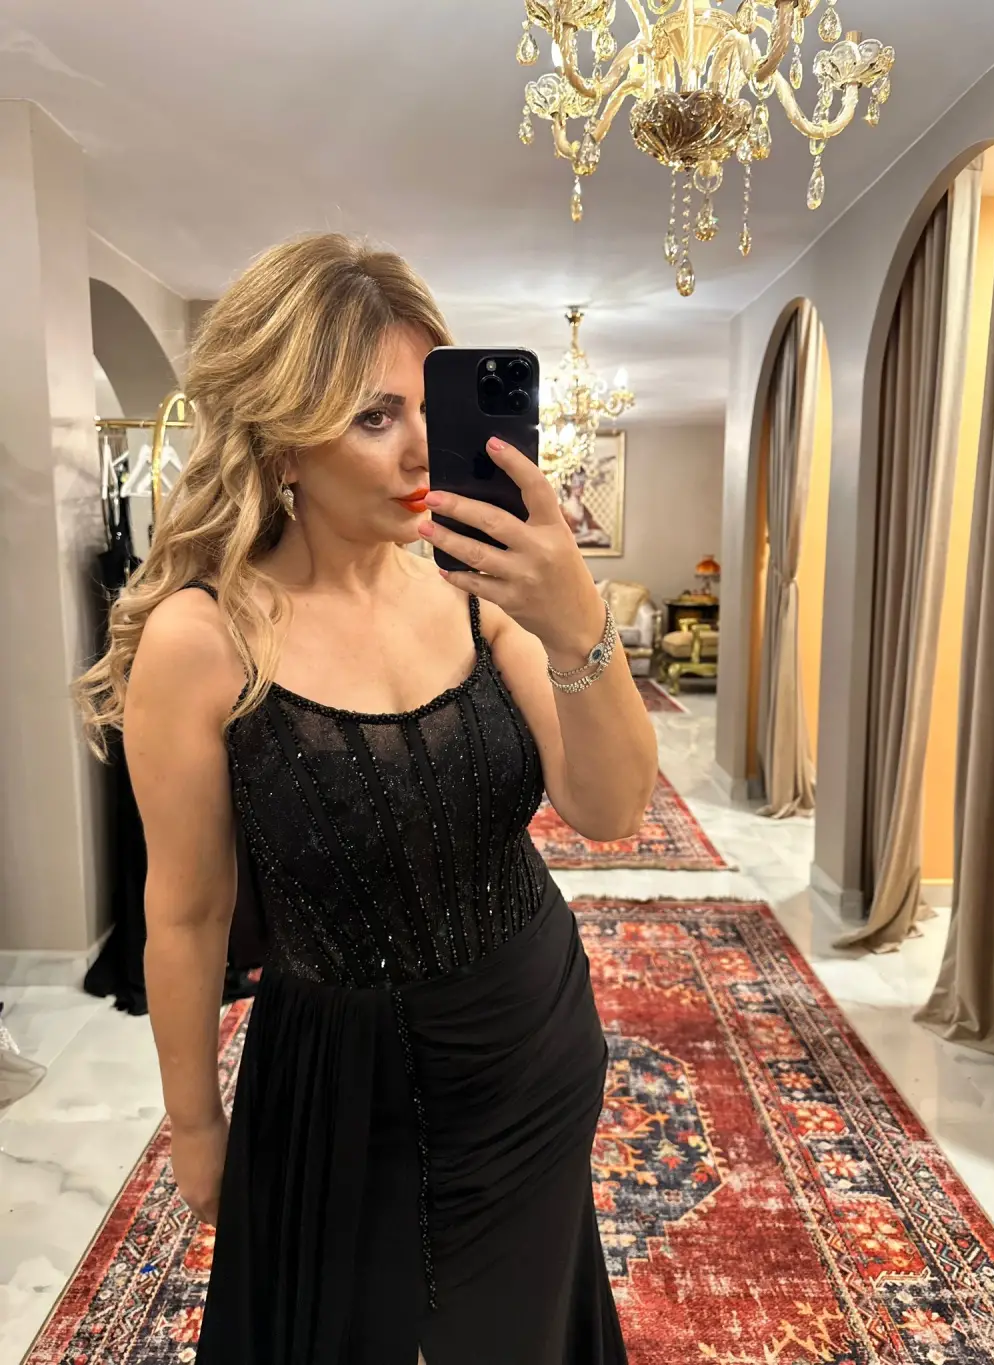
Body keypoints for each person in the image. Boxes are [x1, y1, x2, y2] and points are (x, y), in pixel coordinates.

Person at [75, 234, 658, 1365]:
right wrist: (194, 1123)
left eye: (427, 404)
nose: (423, 448)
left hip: (531, 1040)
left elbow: (610, 807)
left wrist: (576, 620)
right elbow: (186, 913)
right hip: (343, 1084)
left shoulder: (478, 588)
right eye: (374, 415)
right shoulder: (203, 639)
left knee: (522, 1335)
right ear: (281, 439)